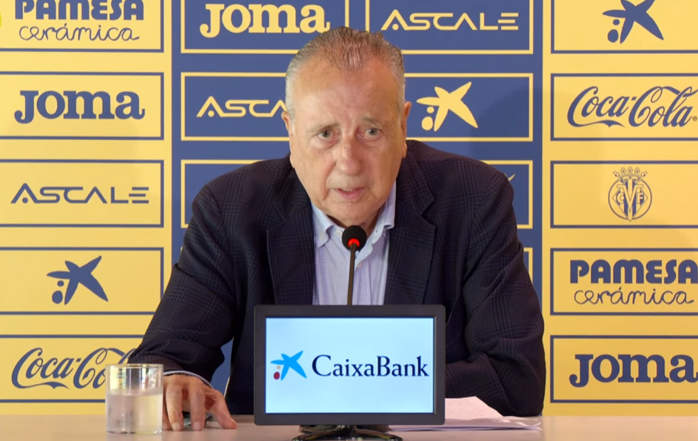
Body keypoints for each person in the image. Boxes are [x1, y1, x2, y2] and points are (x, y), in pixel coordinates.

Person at [129, 27, 545, 431]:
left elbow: (516, 381)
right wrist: (173, 382)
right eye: (325, 134)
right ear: (291, 131)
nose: (348, 161)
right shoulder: (232, 210)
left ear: (403, 128)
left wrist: (340, 383)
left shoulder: (473, 200)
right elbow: (158, 365)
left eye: (371, 131)